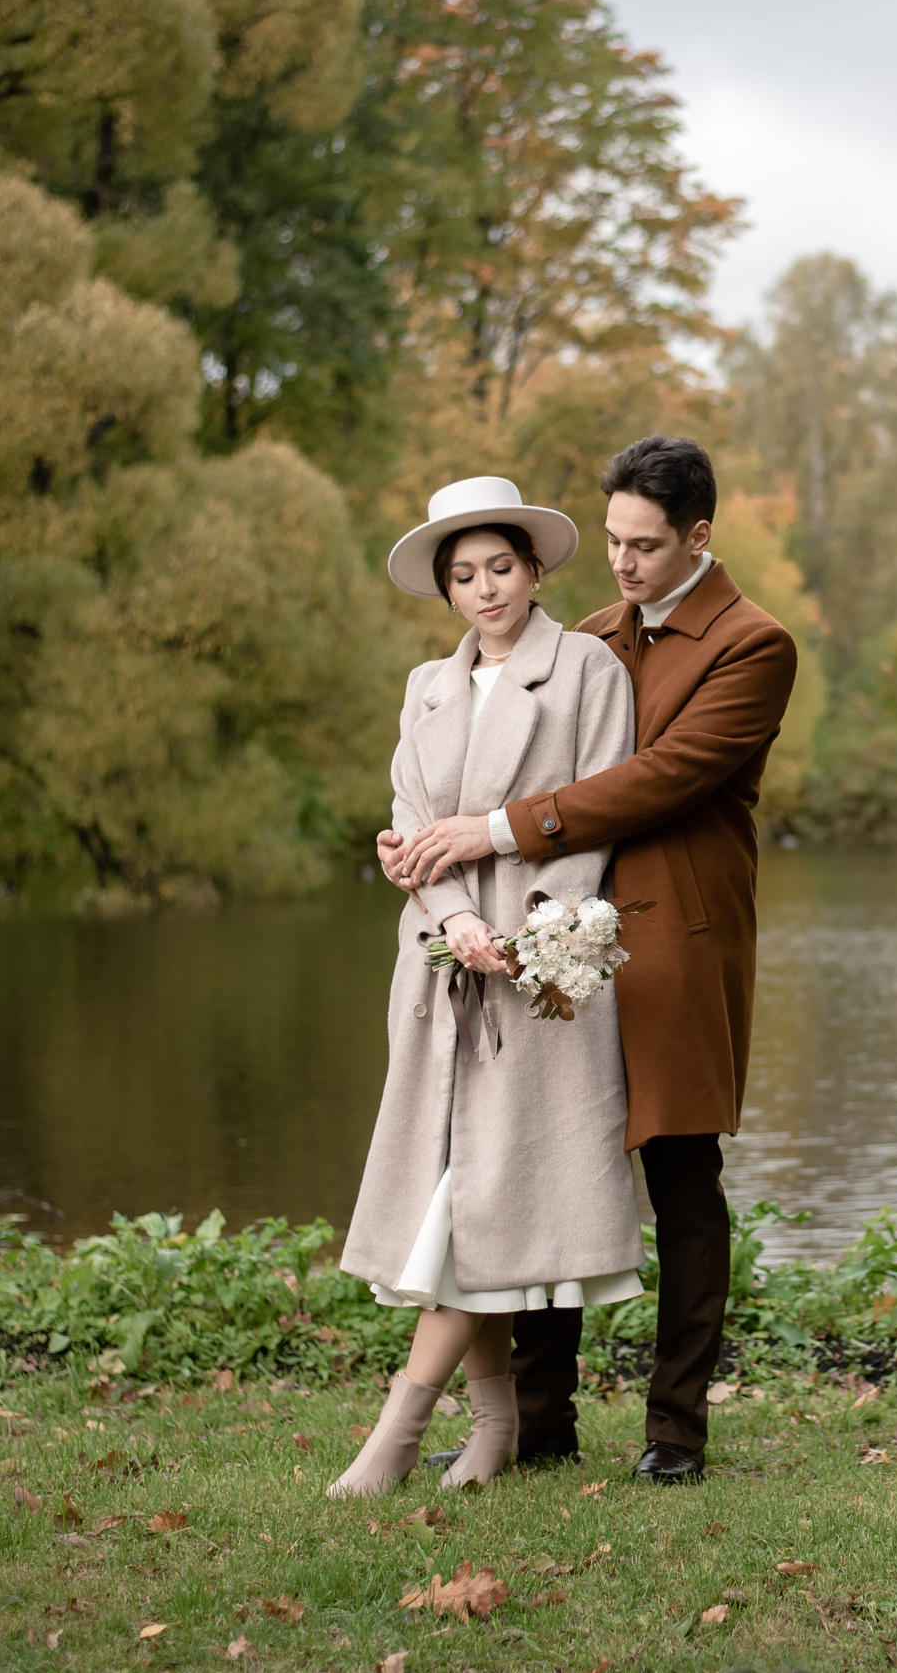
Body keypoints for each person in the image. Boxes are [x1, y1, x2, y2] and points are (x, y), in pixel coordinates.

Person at [394, 435, 798, 1484]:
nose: (621, 563)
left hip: (671, 939)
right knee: (537, 1160)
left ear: (698, 537)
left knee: (682, 1175)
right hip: (551, 924)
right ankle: (539, 1419)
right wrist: (428, 841)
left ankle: (675, 1430)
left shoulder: (755, 645)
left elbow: (661, 779)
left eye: (646, 545)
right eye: (612, 541)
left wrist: (492, 829)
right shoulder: (586, 634)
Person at [326, 475, 644, 1499]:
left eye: (499, 567)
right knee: (453, 1199)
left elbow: (599, 804)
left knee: (486, 1204)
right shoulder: (426, 685)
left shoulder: (589, 669)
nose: (483, 589)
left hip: (538, 974)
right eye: (462, 575)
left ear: (537, 568)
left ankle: (399, 1430)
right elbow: (411, 815)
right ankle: (498, 1424)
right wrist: (453, 917)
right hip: (436, 968)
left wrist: (524, 932)